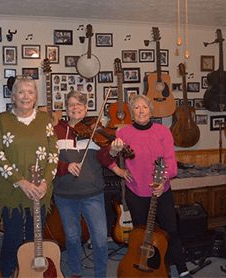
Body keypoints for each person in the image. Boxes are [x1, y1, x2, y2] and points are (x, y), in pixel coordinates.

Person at [110, 94, 192, 278]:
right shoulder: (123, 133)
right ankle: (144, 267)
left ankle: (181, 268)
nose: (140, 111)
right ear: (131, 112)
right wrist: (118, 169)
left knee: (170, 230)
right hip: (136, 191)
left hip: (161, 191)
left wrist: (163, 182)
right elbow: (108, 156)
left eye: (144, 107)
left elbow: (171, 162)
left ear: (150, 110)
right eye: (136, 108)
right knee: (141, 233)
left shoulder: (162, 132)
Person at [0, 75, 59, 277]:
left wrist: (45, 182)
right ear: (13, 97)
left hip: (40, 191)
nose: (25, 96)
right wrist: (21, 182)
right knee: (12, 238)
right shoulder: (3, 120)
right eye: (21, 92)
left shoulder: (45, 119)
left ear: (36, 97)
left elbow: (53, 154)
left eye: (30, 92)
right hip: (13, 192)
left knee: (33, 239)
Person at [53, 90, 119, 278]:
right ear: (66, 108)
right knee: (72, 238)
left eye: (80, 105)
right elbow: (48, 161)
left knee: (100, 239)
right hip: (65, 195)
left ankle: (100, 274)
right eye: (72, 104)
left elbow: (104, 159)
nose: (75, 108)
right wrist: (66, 166)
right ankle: (75, 272)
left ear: (86, 108)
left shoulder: (95, 130)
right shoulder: (56, 130)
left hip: (92, 193)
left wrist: (113, 152)